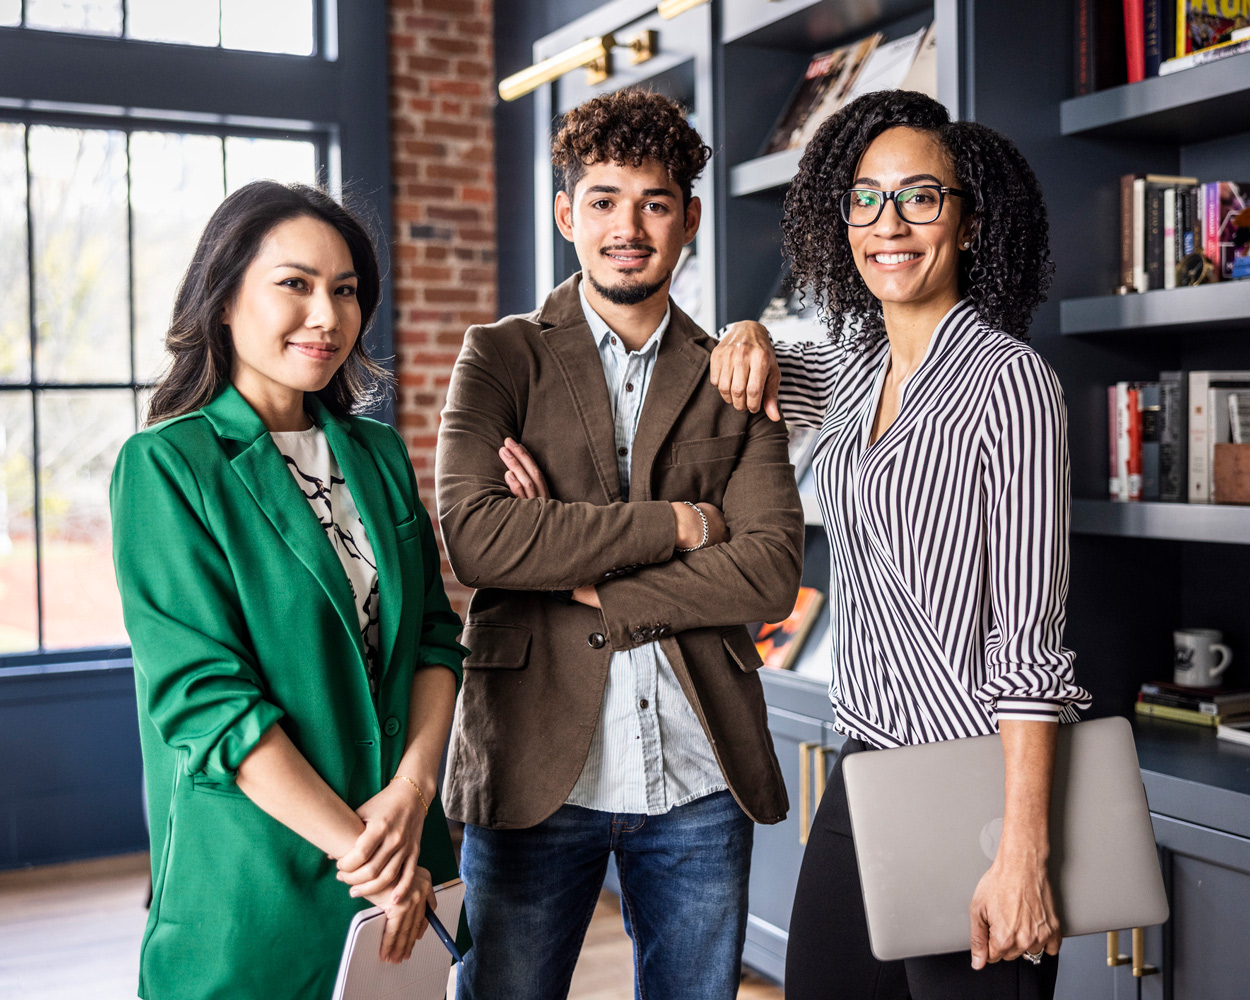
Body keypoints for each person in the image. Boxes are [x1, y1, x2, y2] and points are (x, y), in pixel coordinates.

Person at [710, 90, 1092, 999]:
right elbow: (738, 373)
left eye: (921, 197)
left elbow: (1029, 643)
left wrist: (1022, 851)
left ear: (967, 222)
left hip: (977, 784)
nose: (890, 222)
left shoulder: (1012, 383)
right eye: (866, 197)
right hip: (866, 768)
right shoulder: (852, 372)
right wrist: (745, 329)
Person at [435, 88, 804, 1000]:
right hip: (533, 765)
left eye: (654, 202)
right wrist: (683, 526)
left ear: (689, 221)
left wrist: (585, 566)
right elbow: (479, 540)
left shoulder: (734, 371)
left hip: (697, 771)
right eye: (602, 200)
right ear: (567, 215)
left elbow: (768, 570)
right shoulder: (499, 357)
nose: (627, 226)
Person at [110, 181, 468, 1000]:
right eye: (295, 284)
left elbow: (435, 641)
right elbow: (210, 704)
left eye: (345, 291)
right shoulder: (167, 466)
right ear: (225, 298)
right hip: (257, 881)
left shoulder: (376, 453)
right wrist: (367, 857)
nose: (328, 315)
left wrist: (413, 795)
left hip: (401, 858)